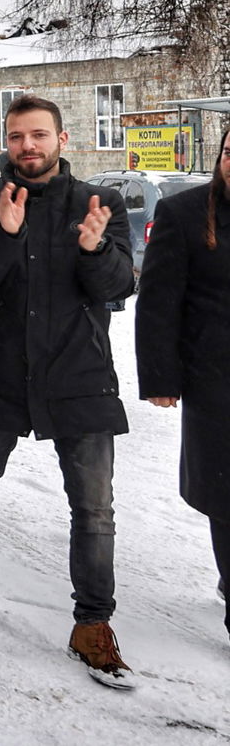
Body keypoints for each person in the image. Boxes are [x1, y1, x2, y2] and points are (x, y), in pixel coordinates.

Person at [0, 94, 137, 690]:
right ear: (7, 141)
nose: (29, 146)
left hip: (79, 377)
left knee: (94, 511)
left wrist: (95, 248)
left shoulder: (100, 203)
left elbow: (119, 284)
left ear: (62, 140)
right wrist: (4, 230)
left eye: (39, 135)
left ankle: (93, 622)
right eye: (18, 136)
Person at [137, 126, 230, 644]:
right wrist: (160, 376)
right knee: (226, 492)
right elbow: (158, 301)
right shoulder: (185, 213)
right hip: (216, 379)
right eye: (228, 151)